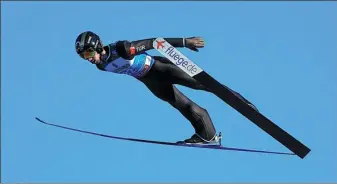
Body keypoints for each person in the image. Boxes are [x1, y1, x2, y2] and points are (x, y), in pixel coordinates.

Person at [74, 31, 258, 145]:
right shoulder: (100, 66)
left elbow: (154, 42)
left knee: (204, 84)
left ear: (97, 47)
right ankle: (207, 134)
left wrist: (185, 42)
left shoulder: (122, 48)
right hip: (149, 80)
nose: (88, 58)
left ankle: (245, 106)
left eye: (89, 53)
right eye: (83, 57)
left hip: (160, 68)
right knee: (181, 104)